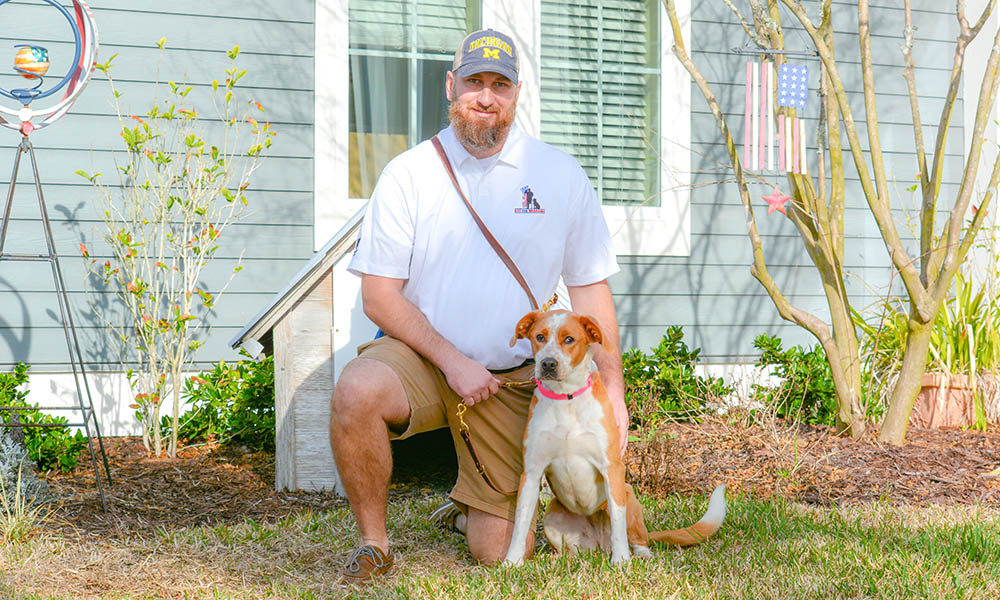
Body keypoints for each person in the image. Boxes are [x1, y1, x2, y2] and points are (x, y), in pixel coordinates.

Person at [331, 28, 628, 585]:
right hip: (420, 359)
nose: (485, 96)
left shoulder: (559, 175)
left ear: (517, 94)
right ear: (451, 85)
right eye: (474, 82)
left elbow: (590, 289)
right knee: (356, 390)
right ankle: (374, 542)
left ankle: (468, 505)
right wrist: (451, 360)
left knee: (494, 552)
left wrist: (612, 390)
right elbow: (379, 295)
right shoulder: (409, 174)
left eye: (500, 84)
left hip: (510, 380)